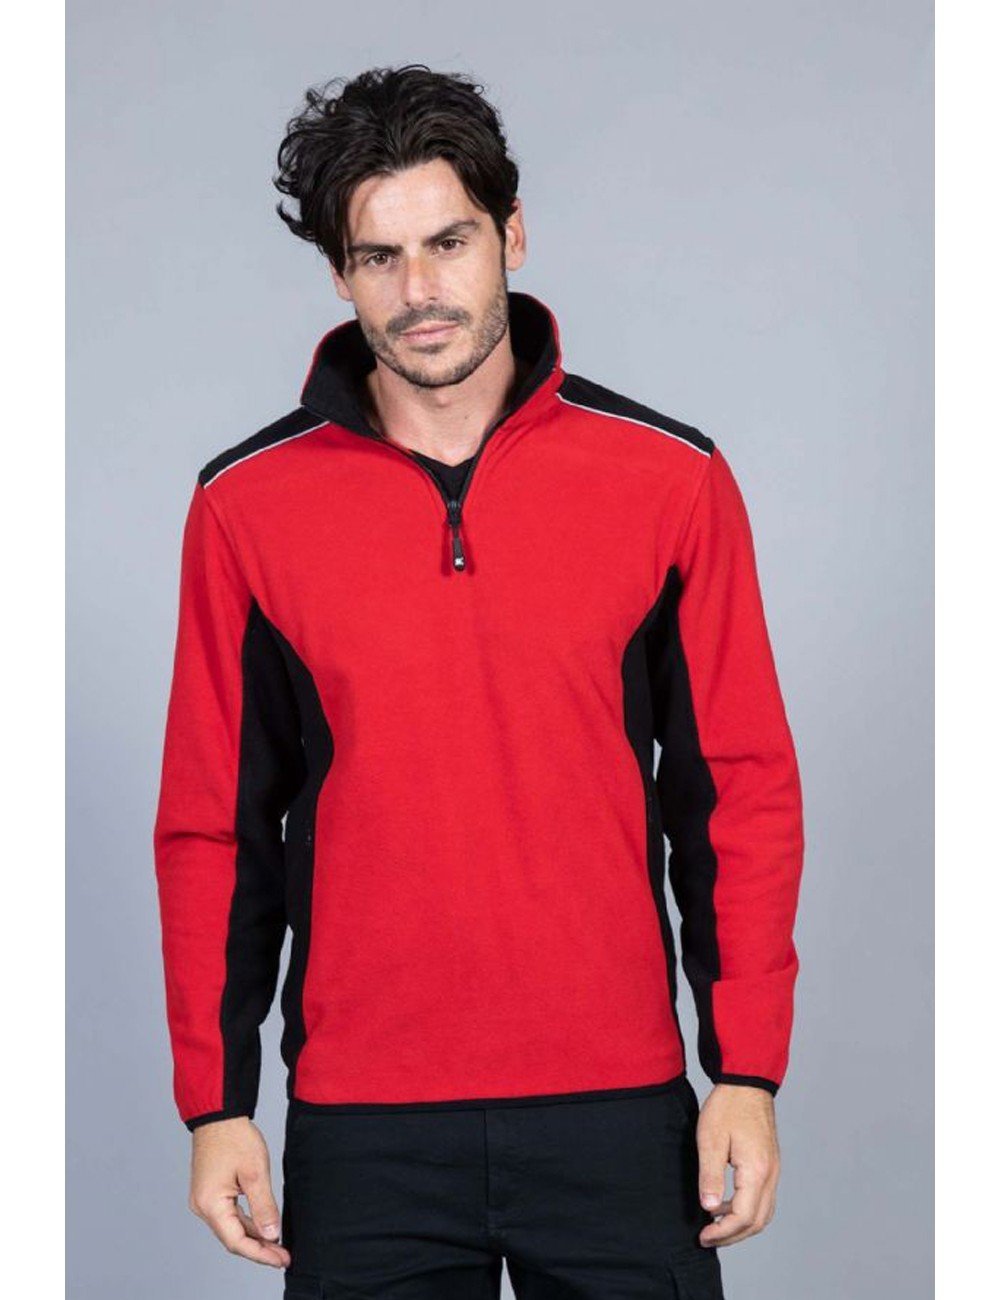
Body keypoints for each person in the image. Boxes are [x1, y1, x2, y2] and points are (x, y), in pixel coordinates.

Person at [152, 63, 805, 1300]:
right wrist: (216, 1101)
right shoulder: (246, 507)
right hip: (364, 1126)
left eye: (448, 242)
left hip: (618, 1109)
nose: (419, 290)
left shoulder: (667, 479)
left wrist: (746, 1070)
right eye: (379, 256)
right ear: (339, 275)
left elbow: (738, 793)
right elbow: (214, 825)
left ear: (511, 233)